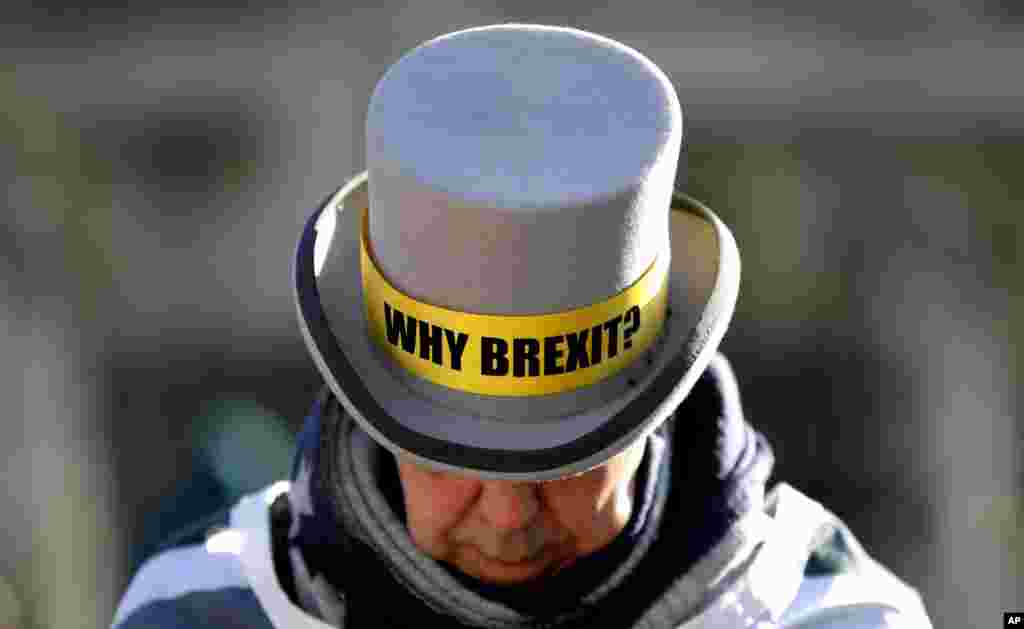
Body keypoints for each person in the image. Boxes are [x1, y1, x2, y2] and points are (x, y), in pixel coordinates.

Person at [111, 24, 933, 628]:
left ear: (653, 406)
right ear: (371, 401)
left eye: (566, 457)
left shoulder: (844, 619)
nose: (508, 516)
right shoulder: (196, 616)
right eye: (450, 451)